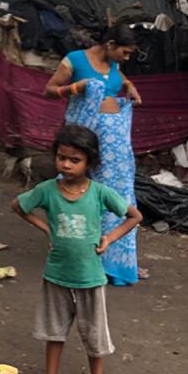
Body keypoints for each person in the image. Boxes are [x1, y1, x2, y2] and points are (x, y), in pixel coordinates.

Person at [12, 124, 143, 374]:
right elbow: (19, 206)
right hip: (56, 275)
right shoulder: (47, 190)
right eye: (62, 157)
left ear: (89, 162)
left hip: (91, 279)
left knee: (95, 339)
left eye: (75, 160)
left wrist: (109, 238)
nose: (67, 165)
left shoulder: (99, 193)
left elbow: (134, 216)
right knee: (54, 333)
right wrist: (46, 228)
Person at [43, 23, 144, 286]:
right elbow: (50, 90)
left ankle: (119, 259)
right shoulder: (75, 60)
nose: (127, 57)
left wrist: (130, 86)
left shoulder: (115, 68)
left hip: (115, 145)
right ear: (110, 45)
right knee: (85, 191)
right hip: (85, 141)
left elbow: (120, 82)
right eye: (125, 52)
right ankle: (84, 252)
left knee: (117, 195)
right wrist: (75, 88)